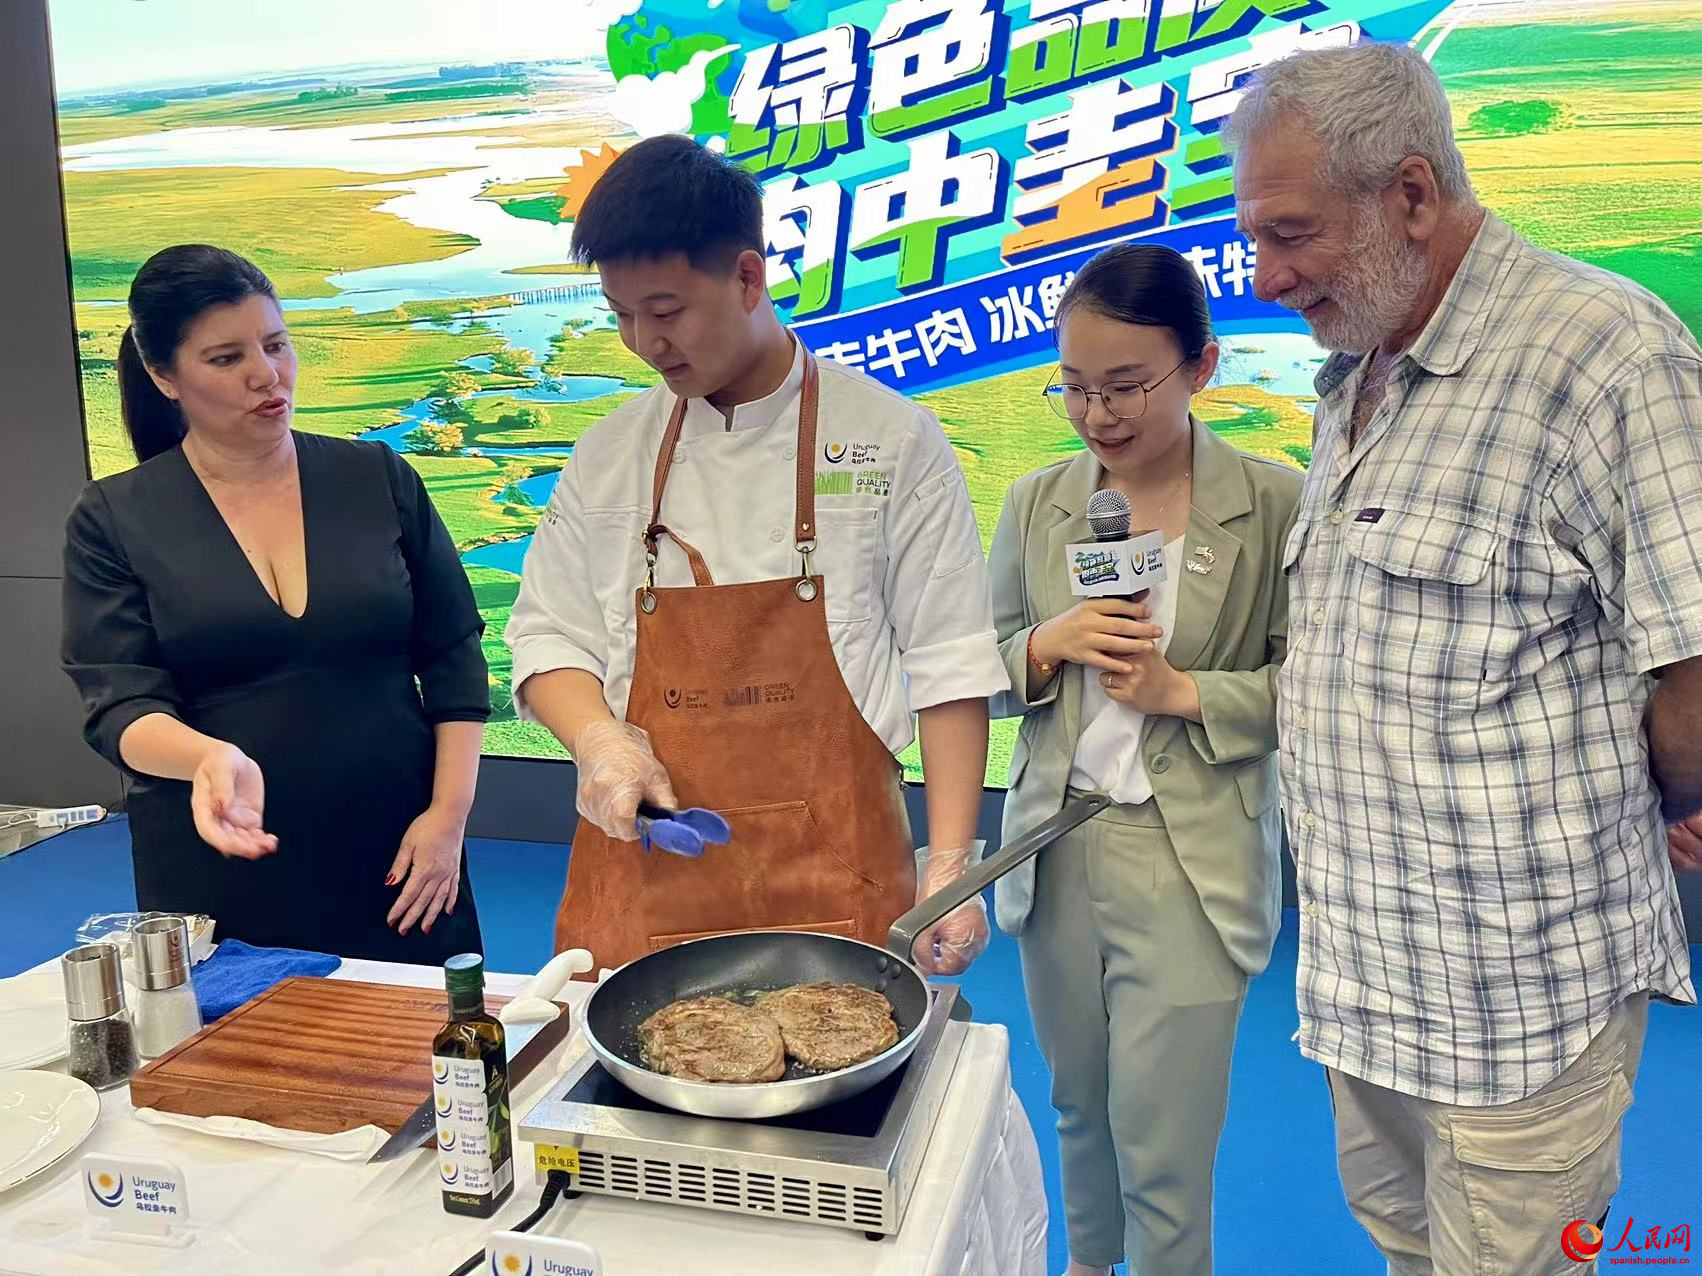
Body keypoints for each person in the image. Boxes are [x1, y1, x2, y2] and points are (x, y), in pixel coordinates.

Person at [1228, 42, 1702, 1274]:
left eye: (1289, 236)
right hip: (1366, 981)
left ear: (1413, 194)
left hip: (1518, 1003)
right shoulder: (1360, 367)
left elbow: (1696, 648)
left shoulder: (1602, 350)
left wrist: (1682, 793)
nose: (1262, 276)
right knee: (1406, 1249)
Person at [505, 135, 1007, 973]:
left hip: (842, 882)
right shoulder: (608, 455)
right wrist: (601, 743)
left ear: (747, 278)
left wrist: (950, 864)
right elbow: (548, 636)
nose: (644, 342)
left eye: (665, 313)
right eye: (620, 315)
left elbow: (950, 661)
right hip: (647, 877)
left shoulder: (889, 440)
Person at [987, 243, 1300, 1276]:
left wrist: (1184, 694)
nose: (1097, 415)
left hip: (1189, 852)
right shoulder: (1037, 503)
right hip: (1055, 840)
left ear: (1201, 365)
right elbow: (974, 670)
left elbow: (1318, 691)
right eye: (1072, 388)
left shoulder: (1275, 504)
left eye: (1126, 385)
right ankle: (1087, 1265)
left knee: (1162, 1136)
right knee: (1077, 1104)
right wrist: (1045, 645)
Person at [62, 245, 489, 962]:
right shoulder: (114, 516)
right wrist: (207, 758)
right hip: (223, 865)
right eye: (226, 359)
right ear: (165, 376)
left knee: (437, 1066)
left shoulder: (378, 477)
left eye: (276, 344)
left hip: (406, 857)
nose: (267, 374)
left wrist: (448, 818)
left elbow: (453, 660)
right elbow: (118, 707)